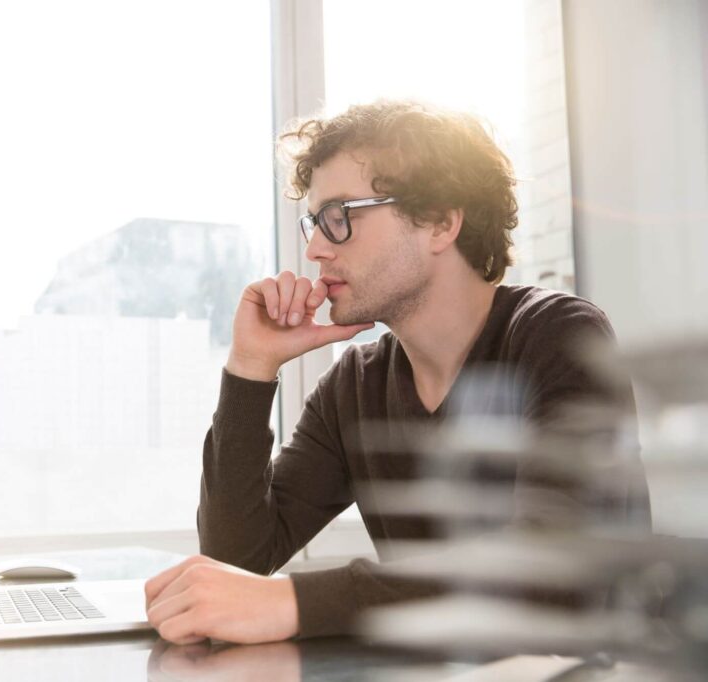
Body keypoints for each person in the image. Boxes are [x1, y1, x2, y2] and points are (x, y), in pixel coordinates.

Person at [143, 100, 650, 646]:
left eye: (340, 217)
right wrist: (250, 369)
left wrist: (294, 602)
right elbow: (235, 560)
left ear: (439, 222)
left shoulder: (559, 337)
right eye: (316, 221)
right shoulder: (353, 387)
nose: (315, 248)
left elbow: (550, 575)